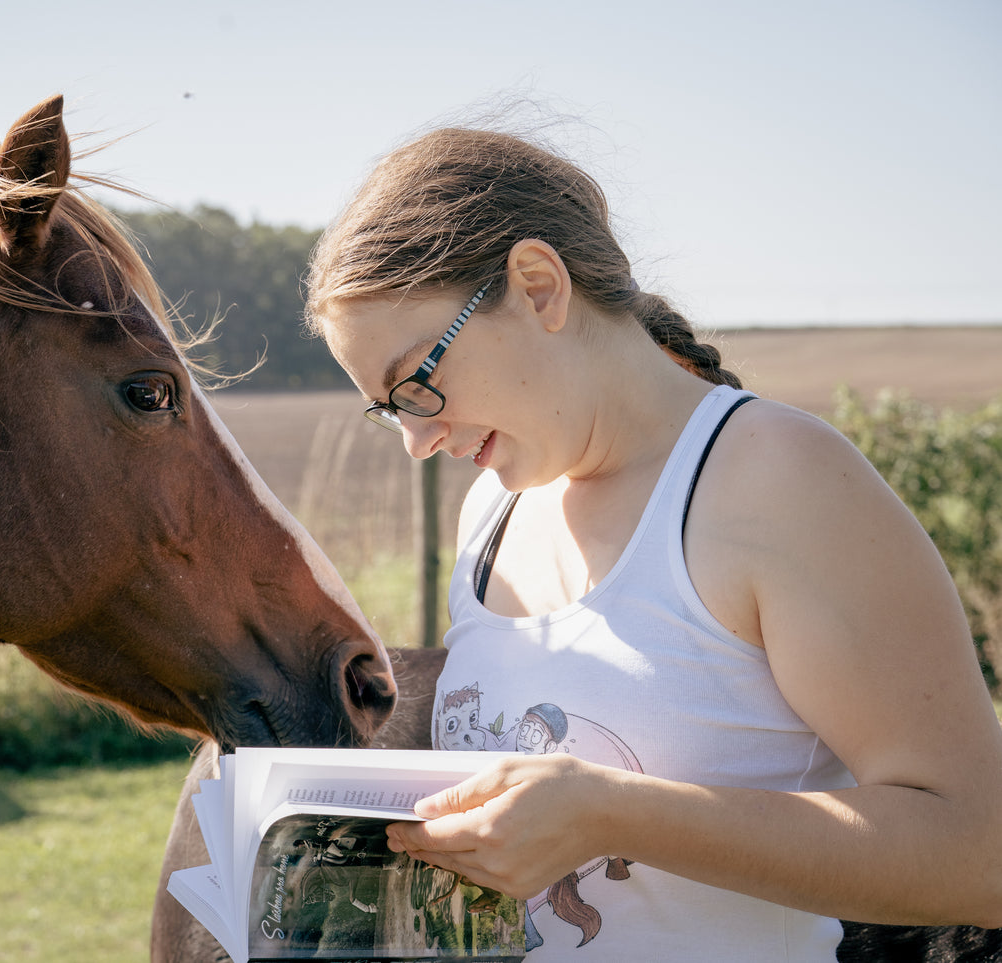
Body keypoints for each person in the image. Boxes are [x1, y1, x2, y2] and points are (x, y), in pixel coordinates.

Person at [302, 122, 1002, 959]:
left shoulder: (780, 480)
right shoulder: (490, 512)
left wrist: (612, 812)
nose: (417, 440)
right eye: (391, 411)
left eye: (417, 382)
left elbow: (978, 855)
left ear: (536, 287)